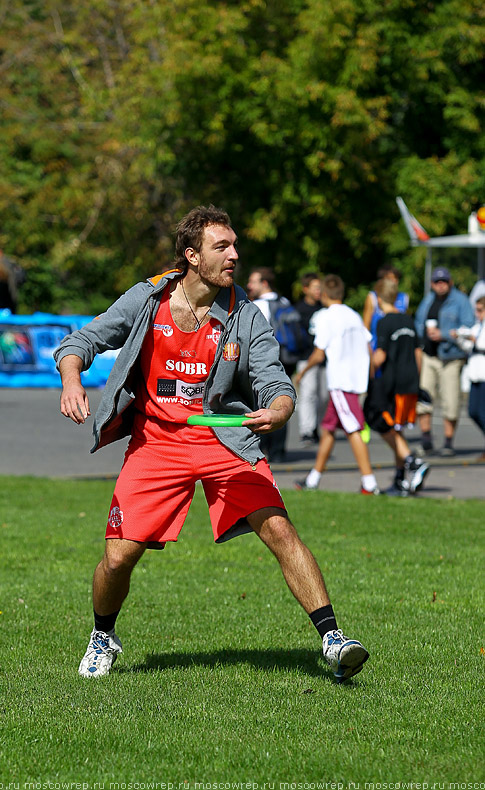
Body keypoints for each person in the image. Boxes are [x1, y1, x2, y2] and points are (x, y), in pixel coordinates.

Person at [54, 205, 369, 683]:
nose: (234, 255)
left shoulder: (245, 315)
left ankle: (332, 638)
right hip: (156, 444)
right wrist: (72, 380)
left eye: (235, 245)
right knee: (118, 557)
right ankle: (103, 635)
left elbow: (275, 383)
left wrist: (279, 410)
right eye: (222, 246)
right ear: (192, 256)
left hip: (225, 442)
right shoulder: (148, 299)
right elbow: (82, 341)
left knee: (280, 529)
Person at [293, 274, 379, 495]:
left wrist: (302, 372)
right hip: (355, 380)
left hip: (341, 381)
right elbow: (368, 345)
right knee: (328, 429)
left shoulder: (327, 317)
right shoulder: (353, 315)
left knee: (353, 430)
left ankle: (369, 483)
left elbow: (319, 353)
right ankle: (313, 478)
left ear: (324, 293)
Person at [363, 279, 430, 496]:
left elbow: (380, 356)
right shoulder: (407, 320)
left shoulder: (384, 322)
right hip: (410, 381)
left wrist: (367, 366)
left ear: (378, 298)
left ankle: (413, 462)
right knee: (397, 426)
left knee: (380, 421)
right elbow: (417, 353)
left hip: (391, 383)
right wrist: (416, 378)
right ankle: (400, 479)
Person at [414, 266, 475, 456]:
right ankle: (426, 440)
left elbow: (469, 328)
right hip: (429, 356)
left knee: (451, 401)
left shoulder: (461, 301)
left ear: (450, 283)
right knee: (424, 397)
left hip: (450, 357)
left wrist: (445, 334)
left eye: (444, 282)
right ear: (432, 284)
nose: (440, 286)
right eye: (437, 282)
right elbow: (418, 322)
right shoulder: (428, 299)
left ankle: (448, 442)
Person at [245, 267, 297, 462]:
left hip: (267, 360)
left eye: (253, 282)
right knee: (283, 400)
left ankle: (265, 449)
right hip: (288, 358)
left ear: (264, 283)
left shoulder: (258, 306)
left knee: (263, 403)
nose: (249, 286)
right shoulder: (284, 302)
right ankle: (279, 451)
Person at [450, 295, 485, 461]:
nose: (477, 314)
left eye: (480, 310)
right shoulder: (477, 326)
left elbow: (480, 344)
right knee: (473, 411)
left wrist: (473, 339)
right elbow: (470, 347)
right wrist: (460, 338)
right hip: (475, 374)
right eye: (476, 310)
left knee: (483, 413)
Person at [295, 272, 327, 447]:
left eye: (320, 288)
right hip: (306, 358)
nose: (318, 291)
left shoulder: (324, 307)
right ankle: (306, 431)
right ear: (305, 289)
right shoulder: (299, 310)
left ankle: (315, 426)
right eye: (315, 288)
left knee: (324, 396)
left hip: (324, 359)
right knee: (308, 395)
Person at [362, 266, 409, 350]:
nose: (394, 281)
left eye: (396, 278)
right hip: (377, 346)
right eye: (390, 278)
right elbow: (366, 326)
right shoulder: (373, 297)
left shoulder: (403, 297)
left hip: (397, 347)